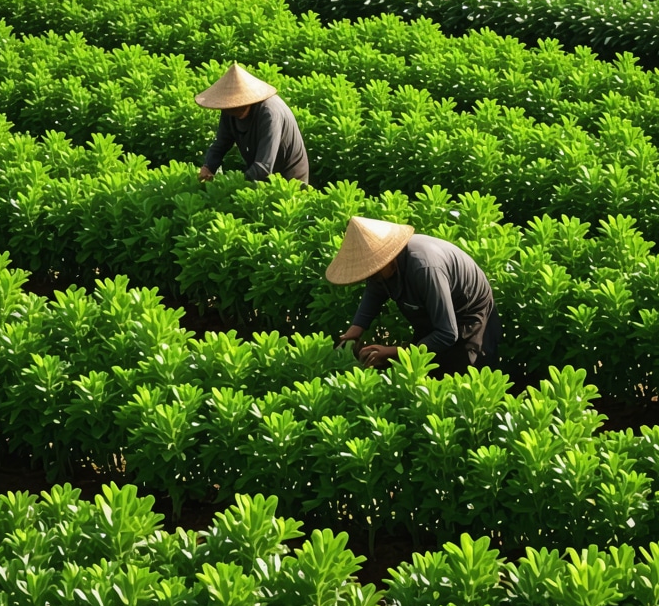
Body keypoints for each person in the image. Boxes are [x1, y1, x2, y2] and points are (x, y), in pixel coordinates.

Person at [327, 216, 500, 375]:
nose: (371, 277)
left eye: (374, 272)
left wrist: (395, 352)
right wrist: (356, 329)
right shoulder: (382, 271)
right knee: (422, 367)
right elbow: (375, 291)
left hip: (467, 314)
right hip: (434, 310)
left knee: (461, 372)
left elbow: (447, 333)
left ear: (389, 258)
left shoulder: (424, 269)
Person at [195, 63, 310, 184]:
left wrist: (234, 184)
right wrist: (208, 166)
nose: (232, 110)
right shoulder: (229, 111)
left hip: (290, 180)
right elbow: (221, 143)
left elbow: (264, 167)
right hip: (259, 174)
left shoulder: (269, 114)